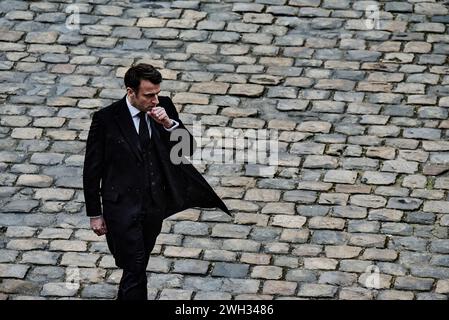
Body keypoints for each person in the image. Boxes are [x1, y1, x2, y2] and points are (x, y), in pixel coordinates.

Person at [83, 63, 230, 300]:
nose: (155, 100)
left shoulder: (164, 108)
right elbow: (92, 169)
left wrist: (169, 124)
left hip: (153, 205)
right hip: (121, 207)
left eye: (157, 93)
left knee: (137, 264)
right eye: (149, 95)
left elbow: (187, 148)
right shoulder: (106, 119)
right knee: (135, 265)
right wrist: (95, 213)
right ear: (130, 92)